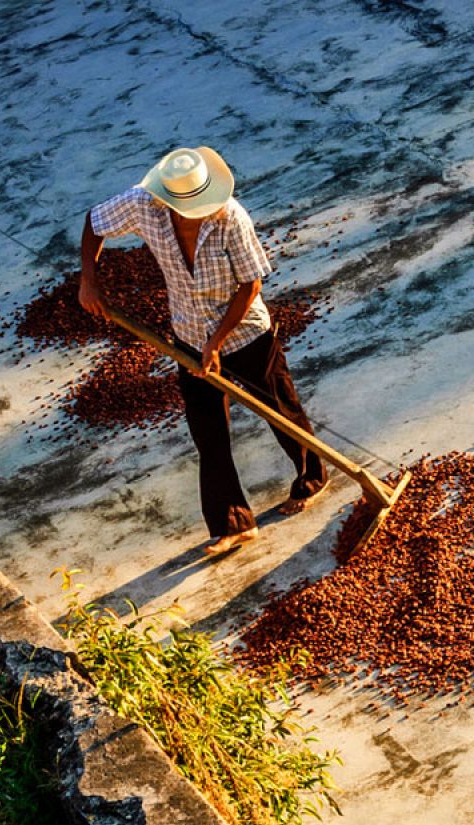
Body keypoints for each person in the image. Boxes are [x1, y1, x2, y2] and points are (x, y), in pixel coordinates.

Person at [78, 146, 327, 555]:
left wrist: (217, 344)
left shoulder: (230, 217)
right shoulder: (144, 204)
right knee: (208, 433)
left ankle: (311, 477)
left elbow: (250, 286)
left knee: (281, 408)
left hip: (245, 332)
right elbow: (94, 221)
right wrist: (89, 280)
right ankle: (232, 523)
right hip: (189, 334)